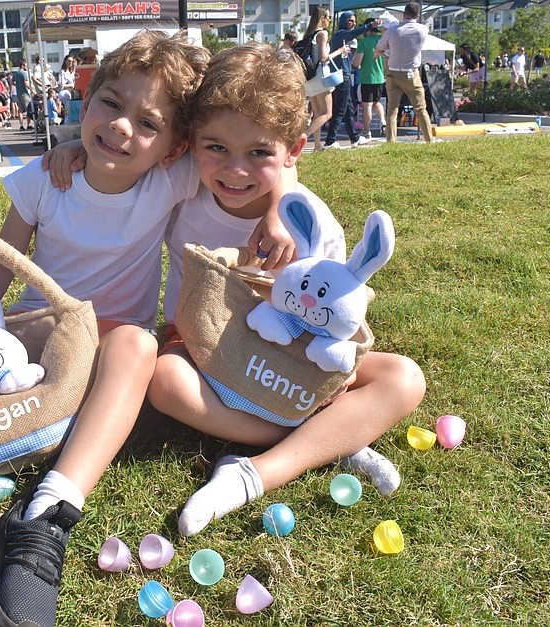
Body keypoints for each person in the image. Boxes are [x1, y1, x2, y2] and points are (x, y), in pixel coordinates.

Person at [0, 29, 214, 622]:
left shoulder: (171, 182)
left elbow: (241, 153)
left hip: (102, 355)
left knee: (137, 342)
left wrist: (282, 196)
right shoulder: (42, 181)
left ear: (173, 149)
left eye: (148, 123)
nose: (122, 127)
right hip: (32, 345)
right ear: (88, 96)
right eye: (111, 103)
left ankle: (47, 512)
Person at [146, 42, 425, 536]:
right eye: (217, 148)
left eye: (259, 153)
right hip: (201, 351)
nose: (235, 170)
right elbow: (123, 162)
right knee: (163, 379)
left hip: (291, 363)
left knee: (404, 378)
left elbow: (334, 318)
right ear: (190, 143)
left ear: (293, 150)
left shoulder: (314, 227)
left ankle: (256, 472)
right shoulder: (181, 190)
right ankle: (321, 438)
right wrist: (68, 151)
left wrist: (280, 205)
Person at [375, 2, 434, 144]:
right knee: (420, 109)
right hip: (411, 73)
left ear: (403, 14)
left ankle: (391, 142)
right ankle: (429, 141)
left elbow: (378, 50)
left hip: (393, 73)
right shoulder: (423, 30)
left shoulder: (392, 31)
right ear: (418, 16)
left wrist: (386, 57)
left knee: (392, 110)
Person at [323, 12, 377, 149]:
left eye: (354, 21)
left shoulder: (342, 38)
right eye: (350, 21)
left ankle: (355, 137)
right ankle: (330, 141)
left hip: (345, 75)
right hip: (342, 76)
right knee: (340, 110)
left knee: (348, 109)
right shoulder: (341, 34)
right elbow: (356, 33)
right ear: (343, 21)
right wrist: (370, 25)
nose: (352, 23)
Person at [300, 7, 349, 152]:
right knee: (327, 113)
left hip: (309, 78)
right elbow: (323, 58)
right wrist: (340, 51)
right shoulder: (322, 33)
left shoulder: (309, 34)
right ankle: (302, 137)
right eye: (327, 17)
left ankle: (317, 146)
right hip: (321, 77)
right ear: (322, 18)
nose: (329, 20)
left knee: (317, 113)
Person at [354, 23, 387, 139]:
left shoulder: (363, 42)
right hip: (380, 77)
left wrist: (353, 66)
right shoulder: (382, 40)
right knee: (377, 102)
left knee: (367, 105)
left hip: (367, 77)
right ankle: (383, 122)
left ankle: (367, 131)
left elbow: (357, 62)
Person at [13, 59, 32, 130]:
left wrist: (17, 85)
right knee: (29, 109)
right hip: (24, 93)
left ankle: (21, 125)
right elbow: (25, 83)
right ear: (23, 65)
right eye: (26, 65)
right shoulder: (23, 73)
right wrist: (32, 89)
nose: (26, 66)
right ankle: (28, 124)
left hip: (18, 94)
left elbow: (12, 82)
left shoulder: (16, 73)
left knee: (20, 111)